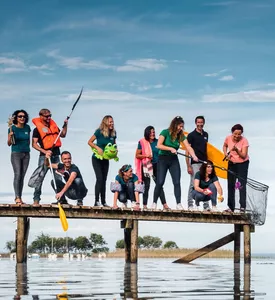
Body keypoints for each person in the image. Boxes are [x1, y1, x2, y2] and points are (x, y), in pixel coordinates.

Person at [153, 116, 198, 210]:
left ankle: (178, 203)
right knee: (160, 182)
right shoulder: (165, 132)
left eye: (182, 127)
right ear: (175, 125)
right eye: (180, 126)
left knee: (177, 182)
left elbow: (188, 147)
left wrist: (193, 156)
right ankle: (154, 202)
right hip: (163, 159)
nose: (181, 128)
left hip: (173, 159)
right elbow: (158, 145)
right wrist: (170, 148)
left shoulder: (181, 135)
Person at [32, 109, 68, 205]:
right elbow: (34, 144)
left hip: (56, 156)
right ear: (41, 116)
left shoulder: (54, 126)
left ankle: (61, 199)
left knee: (58, 178)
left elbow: (63, 135)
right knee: (40, 177)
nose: (48, 118)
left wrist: (65, 125)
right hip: (44, 157)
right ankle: (36, 200)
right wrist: (45, 151)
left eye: (50, 116)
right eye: (46, 116)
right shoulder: (37, 130)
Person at [88, 115, 116, 207]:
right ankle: (96, 201)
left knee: (104, 180)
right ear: (105, 122)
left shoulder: (113, 133)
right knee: (99, 179)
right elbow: (89, 142)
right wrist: (97, 148)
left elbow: (114, 145)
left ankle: (103, 201)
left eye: (112, 121)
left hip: (105, 159)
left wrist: (115, 152)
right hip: (96, 158)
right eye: (110, 122)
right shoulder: (99, 132)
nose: (112, 123)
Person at [135, 126, 166, 209]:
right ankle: (145, 205)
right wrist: (146, 156)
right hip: (146, 165)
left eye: (153, 132)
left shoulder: (157, 142)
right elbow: (137, 155)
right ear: (147, 133)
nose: (153, 134)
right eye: (151, 132)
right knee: (146, 185)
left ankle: (164, 204)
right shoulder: (142, 142)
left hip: (157, 165)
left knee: (159, 184)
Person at [223, 124, 249, 213]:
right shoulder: (228, 138)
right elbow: (225, 145)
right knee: (231, 185)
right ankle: (231, 207)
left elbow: (243, 155)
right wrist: (225, 153)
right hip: (232, 164)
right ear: (232, 133)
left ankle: (242, 207)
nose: (237, 136)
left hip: (242, 164)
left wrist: (237, 150)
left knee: (241, 185)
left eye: (239, 134)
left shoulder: (244, 141)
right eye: (235, 134)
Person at [185, 116, 209, 210]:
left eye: (201, 122)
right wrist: (188, 166)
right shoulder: (191, 135)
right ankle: (190, 204)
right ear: (196, 123)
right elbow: (187, 151)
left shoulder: (206, 134)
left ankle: (206, 206)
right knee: (193, 183)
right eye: (198, 122)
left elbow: (207, 149)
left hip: (204, 163)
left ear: (204, 123)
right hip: (194, 163)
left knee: (205, 183)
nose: (200, 124)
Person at [7, 110, 31, 204]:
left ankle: (20, 197)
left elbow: (28, 140)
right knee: (17, 174)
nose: (22, 118)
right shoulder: (12, 128)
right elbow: (9, 143)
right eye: (20, 116)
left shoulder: (27, 127)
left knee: (22, 176)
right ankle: (17, 197)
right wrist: (10, 136)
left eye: (24, 117)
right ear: (16, 118)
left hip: (26, 153)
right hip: (16, 153)